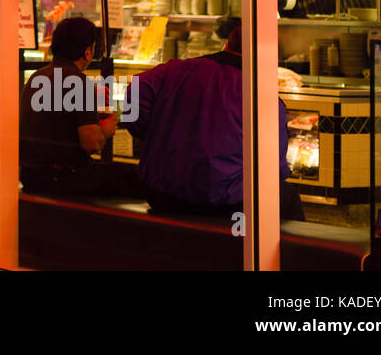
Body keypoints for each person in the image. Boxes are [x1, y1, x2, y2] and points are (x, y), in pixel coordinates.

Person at [126, 25, 303, 220]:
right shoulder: (262, 96)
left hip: (161, 195)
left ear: (226, 45)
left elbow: (135, 88)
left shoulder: (176, 69)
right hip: (222, 205)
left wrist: (148, 131)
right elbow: (274, 167)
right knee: (287, 195)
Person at [20, 16, 119, 194]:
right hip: (62, 181)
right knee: (130, 179)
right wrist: (106, 129)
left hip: (30, 177)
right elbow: (92, 144)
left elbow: (57, 120)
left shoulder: (37, 77)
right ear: (88, 52)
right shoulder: (79, 82)